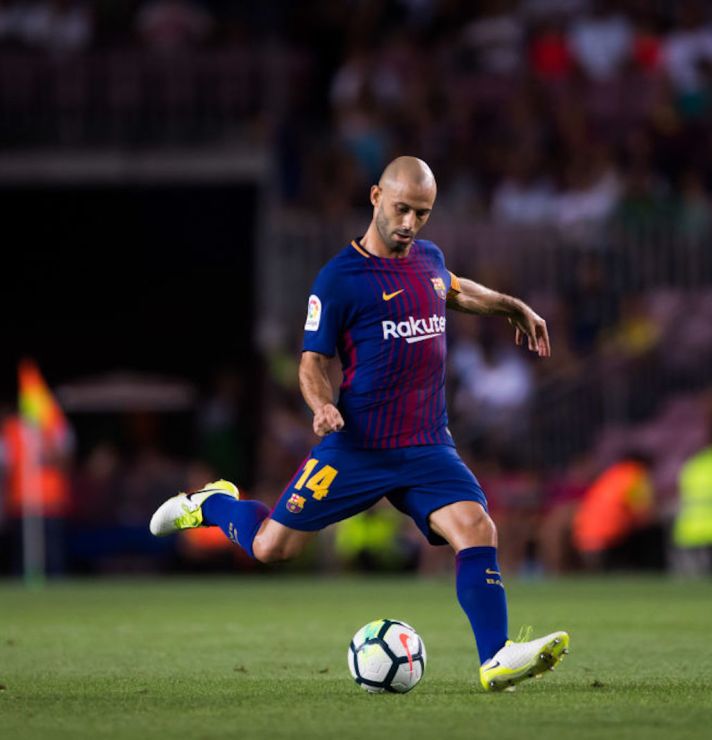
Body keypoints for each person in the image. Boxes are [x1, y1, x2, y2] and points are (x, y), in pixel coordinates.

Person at [150, 156, 569, 692]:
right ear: (375, 196)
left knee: (478, 528)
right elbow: (311, 362)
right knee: (270, 549)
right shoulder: (339, 278)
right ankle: (213, 503)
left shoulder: (429, 259)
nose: (411, 224)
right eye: (402, 209)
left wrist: (512, 306)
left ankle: (496, 659)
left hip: (425, 445)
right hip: (358, 447)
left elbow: (456, 289)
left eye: (423, 214)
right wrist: (322, 406)